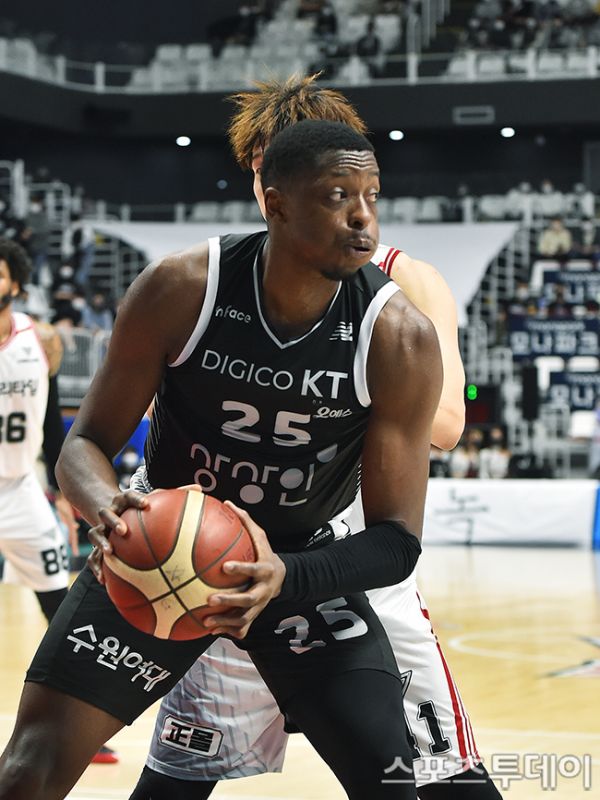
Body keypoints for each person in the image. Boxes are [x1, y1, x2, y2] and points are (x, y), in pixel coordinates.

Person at [0, 119, 442, 800]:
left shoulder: (399, 337)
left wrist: (284, 575)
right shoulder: (180, 288)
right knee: (28, 770)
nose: (364, 218)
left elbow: (396, 543)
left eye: (372, 196)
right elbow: (84, 444)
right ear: (276, 203)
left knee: (393, 784)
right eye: (338, 196)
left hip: (297, 566)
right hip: (158, 554)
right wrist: (108, 510)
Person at [128, 75, 501, 799]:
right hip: (231, 556)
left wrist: (321, 388)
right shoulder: (219, 278)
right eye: (266, 161)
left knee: (439, 776)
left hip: (355, 558)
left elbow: (448, 425)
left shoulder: (401, 282)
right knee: (179, 775)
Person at [0, 237, 118, 766]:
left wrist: (63, 495)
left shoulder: (41, 339)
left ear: (16, 282)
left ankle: (73, 726)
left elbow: (51, 426)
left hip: (20, 488)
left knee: (61, 608)